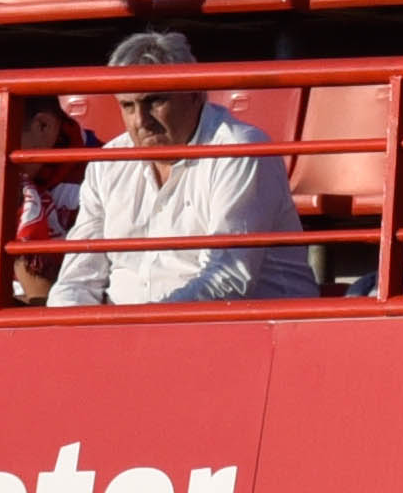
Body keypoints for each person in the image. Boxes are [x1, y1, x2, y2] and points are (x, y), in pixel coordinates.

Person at [46, 28, 317, 304]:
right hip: (136, 333)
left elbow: (229, 278)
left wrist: (144, 329)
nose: (140, 120)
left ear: (196, 95)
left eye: (154, 101)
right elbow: (76, 279)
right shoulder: (107, 163)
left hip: (247, 333)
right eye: (127, 106)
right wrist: (70, 330)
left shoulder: (240, 149)